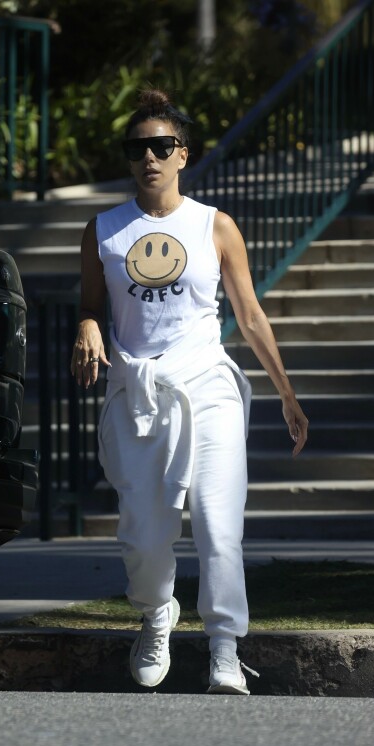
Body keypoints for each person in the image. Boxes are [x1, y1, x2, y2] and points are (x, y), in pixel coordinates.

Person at [71, 88, 308, 694]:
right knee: (145, 535)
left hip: (207, 384)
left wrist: (285, 392)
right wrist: (87, 330)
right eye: (136, 149)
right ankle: (158, 611)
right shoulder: (103, 230)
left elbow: (249, 315)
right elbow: (92, 307)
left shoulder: (214, 225)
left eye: (160, 146)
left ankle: (226, 647)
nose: (148, 158)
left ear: (183, 155)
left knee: (216, 520)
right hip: (140, 394)